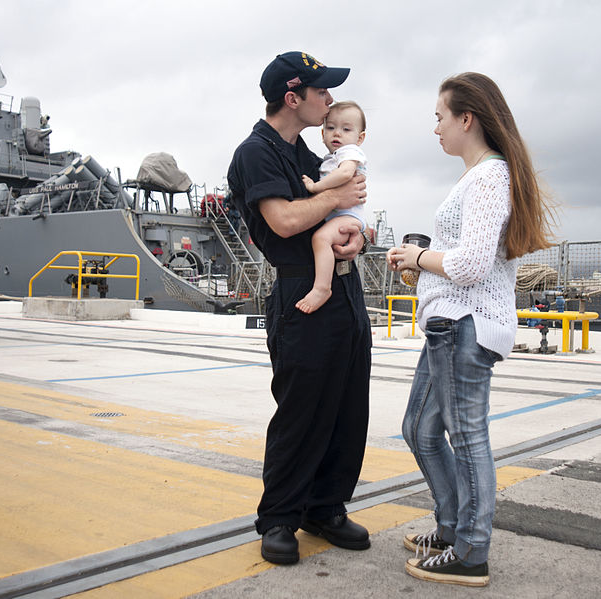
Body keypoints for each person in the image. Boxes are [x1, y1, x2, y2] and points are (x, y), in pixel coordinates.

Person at [387, 72, 554, 587]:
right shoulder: (476, 177)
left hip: (465, 325)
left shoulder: (488, 177)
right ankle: (453, 527)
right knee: (419, 429)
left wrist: (418, 255)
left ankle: (471, 550)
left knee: (466, 435)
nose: (435, 127)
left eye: (440, 117)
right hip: (447, 323)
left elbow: (472, 264)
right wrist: (424, 264)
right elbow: (463, 259)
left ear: (466, 118)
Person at [227, 51, 372, 565]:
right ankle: (281, 517)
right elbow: (286, 222)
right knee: (301, 410)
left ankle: (326, 507)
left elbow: (347, 202)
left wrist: (353, 239)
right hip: (301, 295)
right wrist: (334, 203)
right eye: (321, 92)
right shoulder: (256, 152)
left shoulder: (307, 152)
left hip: (345, 290)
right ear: (293, 99)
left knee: (348, 407)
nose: (329, 101)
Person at [296, 101, 368, 313]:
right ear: (322, 133)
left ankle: (321, 288)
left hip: (347, 217)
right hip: (343, 217)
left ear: (360, 138)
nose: (337, 133)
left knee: (320, 239)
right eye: (331, 128)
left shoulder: (350, 153)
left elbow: (346, 174)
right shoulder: (331, 158)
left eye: (346, 129)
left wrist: (316, 187)